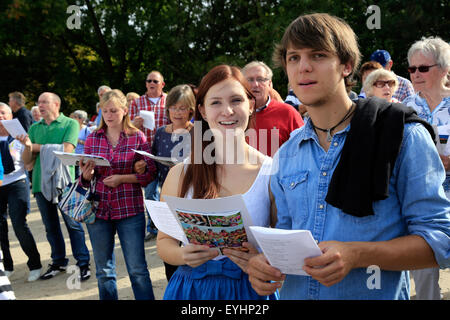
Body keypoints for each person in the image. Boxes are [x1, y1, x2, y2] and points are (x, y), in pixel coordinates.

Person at [246, 13, 450, 300]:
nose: (303, 67)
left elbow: (441, 241)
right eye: (294, 57)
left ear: (346, 65)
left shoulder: (401, 136)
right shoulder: (288, 153)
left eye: (317, 55)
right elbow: (286, 237)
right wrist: (263, 264)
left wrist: (358, 254)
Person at [156, 65, 275, 300]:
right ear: (202, 110)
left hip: (249, 291)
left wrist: (260, 259)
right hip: (190, 291)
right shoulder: (180, 173)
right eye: (216, 102)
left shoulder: (271, 173)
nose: (227, 111)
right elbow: (164, 243)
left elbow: (285, 243)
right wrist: (184, 256)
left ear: (251, 105)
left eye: (236, 100)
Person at [79, 89, 156, 300]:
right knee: (104, 272)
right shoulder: (93, 138)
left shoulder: (136, 137)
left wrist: (124, 178)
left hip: (129, 209)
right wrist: (86, 175)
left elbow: (149, 174)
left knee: (137, 270)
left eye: (113, 110)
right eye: (105, 111)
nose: (109, 115)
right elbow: (84, 178)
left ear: (125, 110)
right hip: (98, 210)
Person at [17, 92, 91, 281]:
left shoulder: (70, 123)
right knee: (50, 227)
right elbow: (27, 162)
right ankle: (58, 261)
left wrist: (36, 146)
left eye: (44, 102)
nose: (40, 105)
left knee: (73, 224)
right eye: (39, 102)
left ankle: (83, 263)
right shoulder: (34, 127)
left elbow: (66, 149)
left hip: (66, 183)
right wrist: (27, 146)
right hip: (41, 183)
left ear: (56, 104)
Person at [402, 36, 450, 300]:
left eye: (423, 68)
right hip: (417, 190)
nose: (416, 75)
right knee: (423, 256)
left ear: (444, 70)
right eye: (412, 69)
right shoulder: (404, 107)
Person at [151, 84, 194, 281]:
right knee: (169, 253)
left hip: (192, 201)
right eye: (174, 107)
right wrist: (143, 165)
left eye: (182, 108)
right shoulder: (160, 133)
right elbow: (152, 165)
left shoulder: (199, 133)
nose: (177, 112)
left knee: (191, 254)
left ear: (191, 110)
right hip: (166, 200)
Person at [0, 103, 42, 282]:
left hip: (17, 181)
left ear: (11, 116)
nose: (0, 116)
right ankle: (7, 266)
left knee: (19, 224)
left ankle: (35, 264)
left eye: (3, 113)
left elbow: (28, 163)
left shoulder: (19, 135)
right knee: (0, 228)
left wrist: (27, 145)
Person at [129, 71, 169, 239]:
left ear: (162, 84)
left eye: (155, 81)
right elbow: (127, 128)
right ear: (145, 84)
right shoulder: (137, 102)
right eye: (148, 81)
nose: (151, 83)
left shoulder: (169, 100)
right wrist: (133, 124)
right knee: (150, 192)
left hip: (165, 151)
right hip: (145, 153)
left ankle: (169, 227)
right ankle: (153, 228)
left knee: (168, 190)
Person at [242, 61, 304, 157]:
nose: (255, 84)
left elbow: (305, 151)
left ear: (270, 84)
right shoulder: (233, 115)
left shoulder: (288, 113)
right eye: (250, 80)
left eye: (260, 79)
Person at [72, 110, 92, 179]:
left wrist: (79, 141)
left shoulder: (87, 130)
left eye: (75, 117)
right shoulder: (72, 128)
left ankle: (78, 188)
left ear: (81, 119)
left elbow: (90, 144)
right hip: (72, 155)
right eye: (73, 117)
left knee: (78, 176)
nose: (73, 118)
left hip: (81, 156)